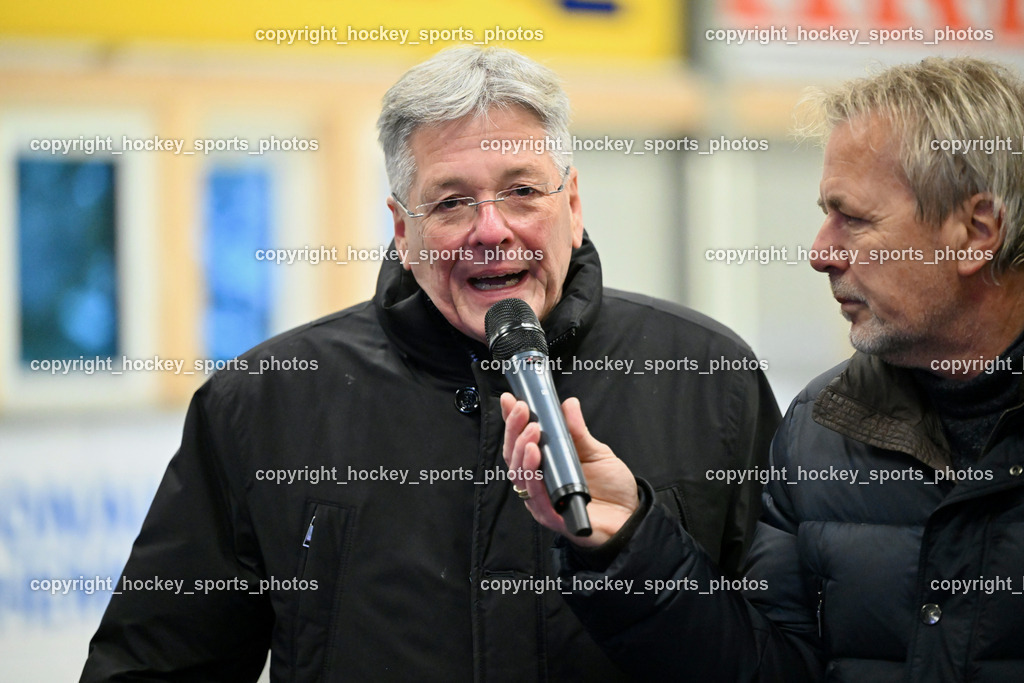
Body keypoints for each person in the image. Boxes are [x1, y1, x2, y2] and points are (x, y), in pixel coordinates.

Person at [80, 46, 778, 681]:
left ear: (572, 203)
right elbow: (152, 664)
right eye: (451, 202)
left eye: (522, 191)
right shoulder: (265, 402)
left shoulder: (709, 380)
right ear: (402, 229)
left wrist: (634, 547)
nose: (491, 229)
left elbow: (780, 657)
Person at [502, 55, 1024, 681]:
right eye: (825, 214)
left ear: (977, 231)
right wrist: (630, 544)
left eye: (854, 219)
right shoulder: (822, 430)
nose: (820, 252)